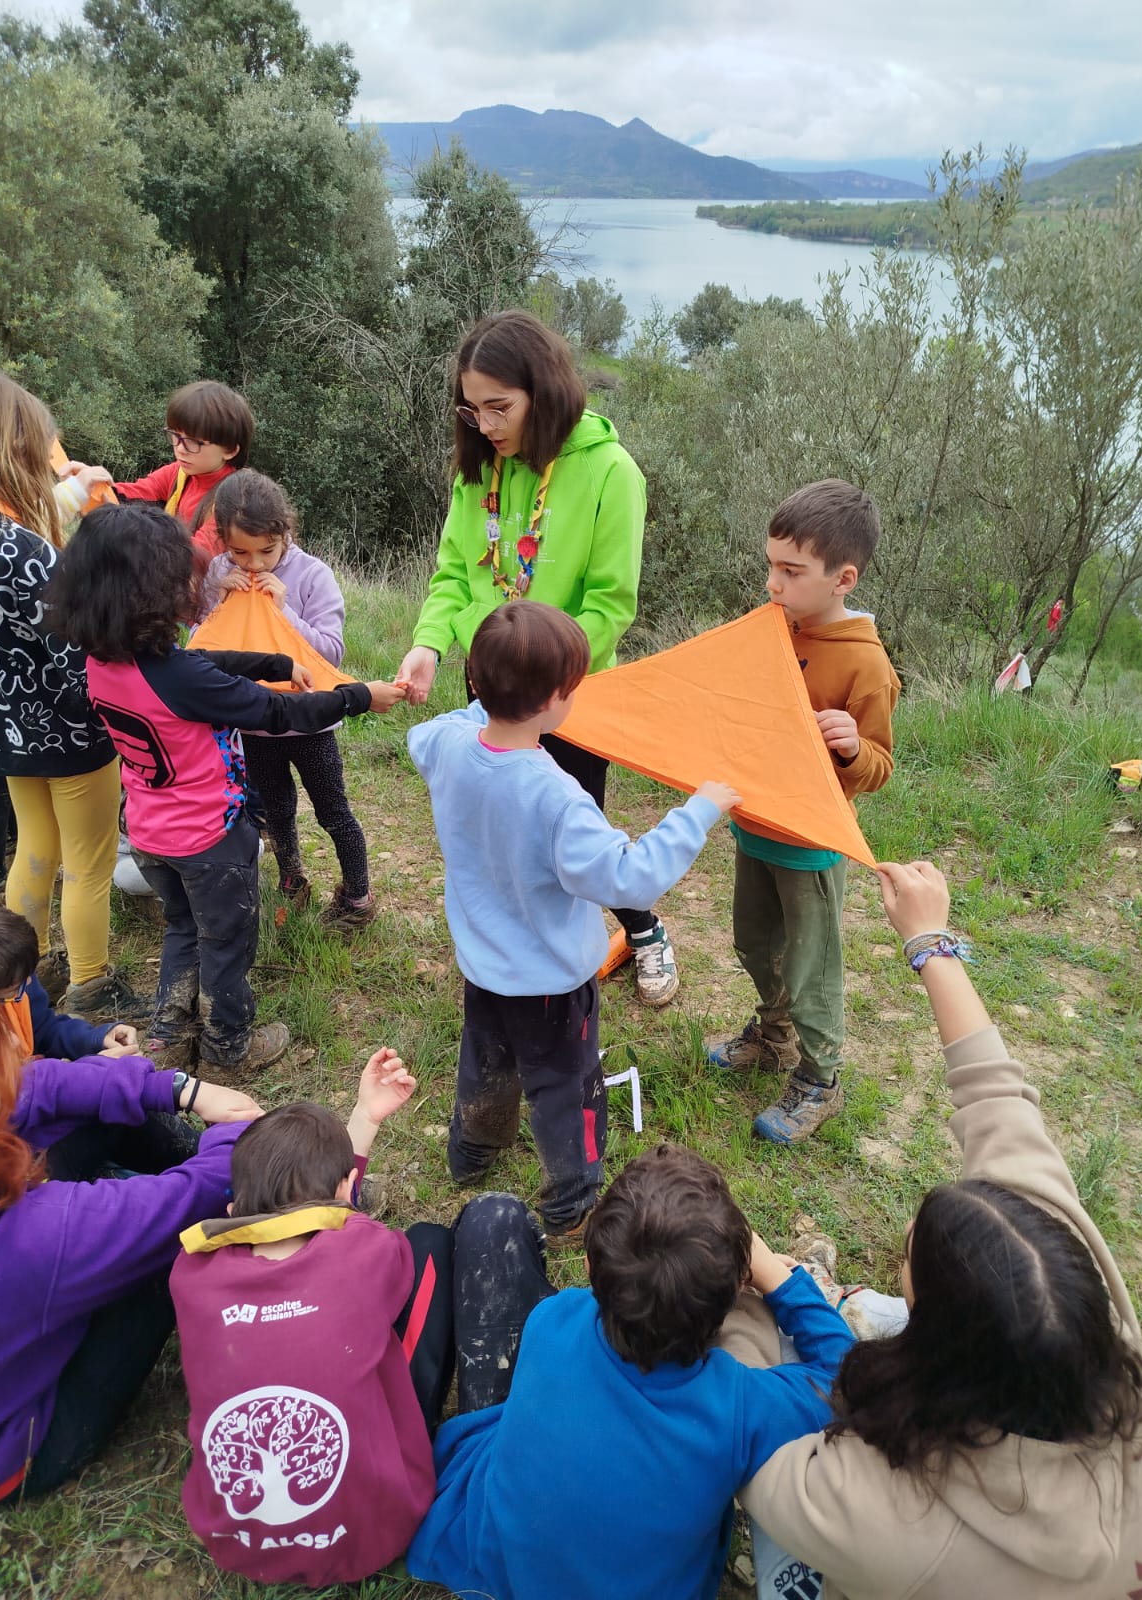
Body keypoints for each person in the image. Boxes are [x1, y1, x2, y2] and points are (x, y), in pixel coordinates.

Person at [720, 860, 1142, 1600]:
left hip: (913, 1559)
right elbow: (997, 1095)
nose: (906, 1254)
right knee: (853, 1322)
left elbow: (749, 1452)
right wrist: (928, 939)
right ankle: (856, 1306)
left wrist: (752, 1295)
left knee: (779, 1536)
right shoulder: (1098, 1332)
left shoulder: (891, 1517)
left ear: (943, 1365)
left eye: (911, 1270)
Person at [407, 600, 739, 1245]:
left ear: (475, 681)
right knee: (567, 1090)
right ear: (560, 700)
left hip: (483, 968)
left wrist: (486, 700)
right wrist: (699, 810)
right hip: (553, 985)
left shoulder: (445, 745)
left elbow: (431, 730)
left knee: (488, 1062)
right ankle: (570, 1208)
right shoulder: (556, 797)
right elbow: (631, 877)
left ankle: (471, 1152)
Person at [45, 503, 406, 1078]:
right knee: (227, 941)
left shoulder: (103, 662)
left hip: (149, 833)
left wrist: (274, 658)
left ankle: (169, 1035)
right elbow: (278, 711)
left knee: (182, 927)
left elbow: (200, 659)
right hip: (210, 839)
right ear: (157, 592)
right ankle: (228, 1048)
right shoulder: (183, 680)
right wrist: (360, 695)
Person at [406, 1143, 855, 1600]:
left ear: (586, 1264)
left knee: (491, 1218)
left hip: (495, 1567)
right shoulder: (737, 1407)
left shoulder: (552, 1319)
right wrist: (773, 1276)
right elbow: (844, 1368)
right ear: (733, 1297)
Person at [397, 309, 681, 1007]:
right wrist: (429, 643)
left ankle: (642, 930)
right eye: (473, 409)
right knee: (499, 814)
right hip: (489, 678)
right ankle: (514, 944)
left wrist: (546, 680)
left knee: (571, 821)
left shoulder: (611, 471)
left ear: (544, 392)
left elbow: (611, 603)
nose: (486, 424)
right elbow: (454, 573)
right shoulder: (478, 470)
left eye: (501, 407)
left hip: (566, 690)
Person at [170, 1048, 453, 1587]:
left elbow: (329, 1216)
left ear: (233, 1211)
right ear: (348, 1193)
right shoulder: (369, 1249)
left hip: (238, 1543)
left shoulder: (191, 1274)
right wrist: (362, 1128)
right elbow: (363, 1248)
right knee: (430, 1246)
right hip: (380, 1529)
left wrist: (361, 1121)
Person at [0, 976, 262, 1508]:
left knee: (94, 1105)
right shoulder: (28, 1237)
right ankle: (275, 1221)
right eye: (3, 1039)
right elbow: (186, 1200)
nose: (23, 1044)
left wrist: (179, 1088)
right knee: (176, 1243)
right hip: (13, 1452)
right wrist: (244, 1142)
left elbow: (36, 1084)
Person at [706, 480, 900, 1143]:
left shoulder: (867, 666)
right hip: (755, 826)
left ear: (843, 578)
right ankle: (773, 1035)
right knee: (754, 942)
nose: (773, 583)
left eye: (791, 571)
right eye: (770, 566)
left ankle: (821, 1079)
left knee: (813, 967)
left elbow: (879, 765)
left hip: (812, 842)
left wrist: (851, 744)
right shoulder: (774, 630)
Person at [0, 368, 137, 1019]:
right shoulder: (23, 549)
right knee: (90, 863)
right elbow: (79, 662)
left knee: (36, 850)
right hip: (72, 736)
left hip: (5, 735)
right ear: (14, 447)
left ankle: (21, 979)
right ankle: (93, 985)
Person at [196, 469, 376, 929]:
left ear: (285, 533)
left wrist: (285, 609)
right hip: (255, 719)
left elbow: (331, 652)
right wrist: (219, 602)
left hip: (310, 722)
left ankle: (358, 899)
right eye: (240, 552)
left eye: (266, 552)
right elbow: (200, 645)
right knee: (275, 810)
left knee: (332, 811)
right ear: (222, 542)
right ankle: (292, 880)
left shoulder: (313, 574)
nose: (253, 565)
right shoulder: (220, 571)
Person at [0, 900, 137, 1061]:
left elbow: (44, 1030)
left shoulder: (16, 976)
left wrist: (96, 1038)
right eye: (13, 989)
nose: (27, 984)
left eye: (30, 974)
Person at [112, 380, 254, 555]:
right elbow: (130, 494)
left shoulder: (235, 499)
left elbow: (200, 554)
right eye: (175, 435)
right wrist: (86, 485)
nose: (180, 448)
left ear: (230, 450)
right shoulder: (179, 472)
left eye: (193, 442)